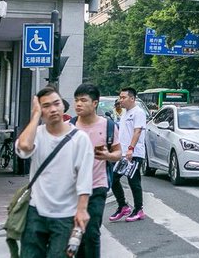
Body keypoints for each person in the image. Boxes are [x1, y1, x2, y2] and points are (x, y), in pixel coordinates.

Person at [15, 86, 93, 258]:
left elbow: (84, 178)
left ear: (63, 105)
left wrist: (82, 209)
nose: (53, 109)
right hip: (35, 211)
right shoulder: (36, 134)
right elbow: (24, 147)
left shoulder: (80, 139)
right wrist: (35, 115)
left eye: (56, 103)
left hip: (65, 215)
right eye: (46, 106)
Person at [72, 83, 121, 258]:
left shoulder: (108, 126)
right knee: (75, 233)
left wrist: (108, 155)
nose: (78, 104)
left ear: (95, 103)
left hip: (96, 186)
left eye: (83, 100)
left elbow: (118, 153)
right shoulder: (69, 127)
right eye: (76, 100)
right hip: (71, 190)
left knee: (92, 233)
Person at [109, 87, 146, 223]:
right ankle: (123, 206)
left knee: (133, 181)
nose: (121, 100)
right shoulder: (125, 113)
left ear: (132, 98)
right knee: (113, 178)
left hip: (134, 153)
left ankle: (139, 209)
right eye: (120, 97)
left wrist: (131, 148)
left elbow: (137, 131)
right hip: (123, 154)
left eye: (123, 97)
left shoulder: (138, 112)